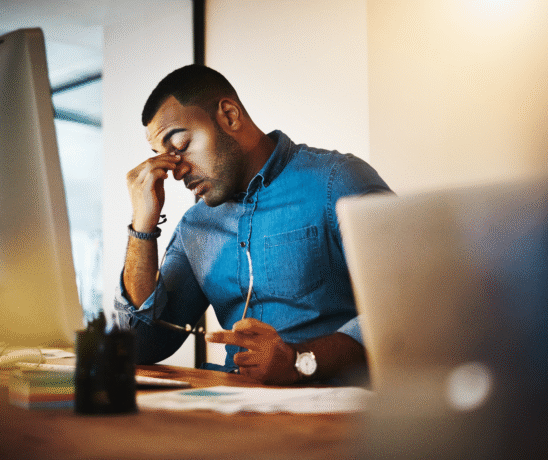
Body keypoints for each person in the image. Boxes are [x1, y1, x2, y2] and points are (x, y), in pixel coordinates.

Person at [114, 64, 391, 385]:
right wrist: (142, 226)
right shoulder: (195, 226)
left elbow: (408, 307)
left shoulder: (337, 181)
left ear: (229, 116)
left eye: (181, 146)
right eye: (163, 157)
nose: (176, 171)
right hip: (236, 408)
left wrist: (298, 359)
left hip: (334, 411)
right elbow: (141, 346)